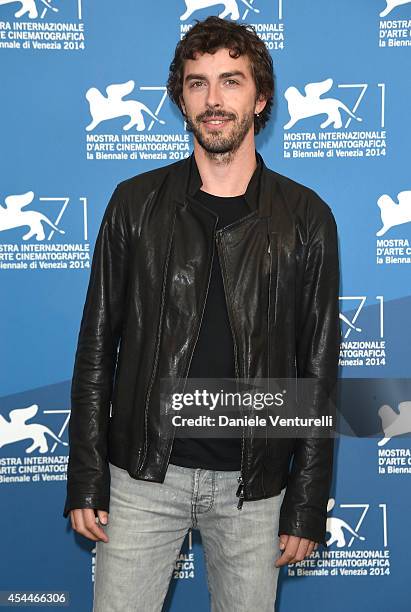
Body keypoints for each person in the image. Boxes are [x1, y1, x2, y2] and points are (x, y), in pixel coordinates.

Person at [63, 16, 341, 612]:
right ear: (180, 99)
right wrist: (87, 474)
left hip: (256, 490)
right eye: (197, 83)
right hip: (141, 480)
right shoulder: (135, 204)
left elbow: (318, 371)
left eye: (231, 82)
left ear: (260, 98)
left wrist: (307, 499)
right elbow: (95, 348)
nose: (214, 100)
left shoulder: (307, 219)